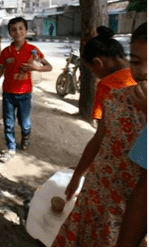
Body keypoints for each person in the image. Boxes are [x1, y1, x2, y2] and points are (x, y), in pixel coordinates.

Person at [53, 22, 147, 247]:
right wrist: (77, 176)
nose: (143, 71)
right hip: (97, 191)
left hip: (126, 208)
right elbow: (98, 140)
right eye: (135, 61)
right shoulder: (114, 98)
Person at [0, 17, 52, 163]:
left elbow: (49, 67)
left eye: (21, 28)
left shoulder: (33, 50)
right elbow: (0, 69)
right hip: (8, 94)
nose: (17, 32)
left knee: (24, 122)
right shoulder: (6, 52)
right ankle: (11, 148)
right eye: (14, 29)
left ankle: (26, 135)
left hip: (25, 94)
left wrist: (36, 67)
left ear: (26, 30)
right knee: (9, 123)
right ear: (10, 33)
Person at [82, 26, 136, 121]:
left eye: (93, 70)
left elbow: (103, 128)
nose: (95, 75)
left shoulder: (106, 85)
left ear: (98, 63)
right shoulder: (141, 74)